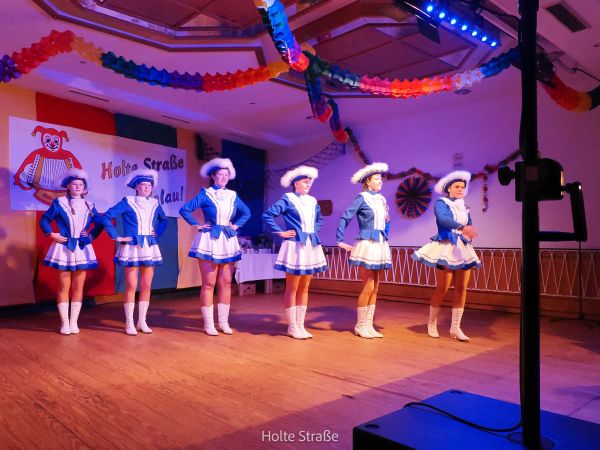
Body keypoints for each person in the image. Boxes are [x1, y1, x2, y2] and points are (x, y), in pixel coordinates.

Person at [179, 158, 250, 336]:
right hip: (209, 239)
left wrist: (236, 225)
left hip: (227, 239)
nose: (224, 177)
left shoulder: (233, 195)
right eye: (220, 175)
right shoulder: (206, 193)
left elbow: (247, 212)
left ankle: (224, 322)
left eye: (226, 175)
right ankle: (209, 324)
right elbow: (185, 209)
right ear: (213, 176)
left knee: (226, 282)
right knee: (209, 283)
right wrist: (197, 225)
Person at [412, 170, 481, 342]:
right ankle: (432, 323)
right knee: (443, 287)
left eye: (462, 187)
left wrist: (469, 232)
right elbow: (443, 220)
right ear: (449, 188)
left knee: (462, 288)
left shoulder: (464, 207)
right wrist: (463, 228)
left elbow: (469, 224)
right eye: (457, 186)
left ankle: (455, 327)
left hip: (462, 247)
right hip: (446, 246)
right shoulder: (441, 203)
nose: (460, 189)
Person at [100, 169, 168, 336]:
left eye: (149, 185)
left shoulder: (155, 203)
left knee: (147, 285)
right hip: (132, 246)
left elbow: (164, 220)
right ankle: (129, 322)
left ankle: (142, 321)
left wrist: (157, 233)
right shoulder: (128, 201)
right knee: (131, 285)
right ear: (136, 187)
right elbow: (106, 216)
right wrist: (116, 236)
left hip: (149, 246)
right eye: (143, 185)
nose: (146, 187)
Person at [263, 166, 328, 339]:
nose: (308, 184)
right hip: (294, 246)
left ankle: (300, 325)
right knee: (292, 287)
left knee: (305, 286)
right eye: (305, 181)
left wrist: (313, 232)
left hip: (310, 246)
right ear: (296, 182)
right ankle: (292, 326)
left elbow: (319, 219)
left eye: (310, 182)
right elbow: (268, 215)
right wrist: (280, 232)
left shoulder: (313, 201)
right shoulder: (288, 198)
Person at [39, 168, 103, 335]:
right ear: (68, 186)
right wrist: (52, 234)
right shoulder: (59, 202)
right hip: (64, 248)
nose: (78, 187)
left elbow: (100, 223)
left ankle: (74, 322)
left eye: (81, 184)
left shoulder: (90, 205)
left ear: (84, 187)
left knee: (78, 287)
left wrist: (90, 236)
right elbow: (44, 220)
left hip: (81, 248)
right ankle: (64, 323)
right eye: (74, 184)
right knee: (63, 286)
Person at [336, 162, 391, 339]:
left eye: (381, 179)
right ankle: (360, 325)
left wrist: (386, 235)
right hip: (367, 244)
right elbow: (345, 217)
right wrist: (339, 240)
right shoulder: (361, 198)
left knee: (376, 287)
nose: (380, 181)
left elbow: (386, 221)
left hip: (380, 243)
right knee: (368, 286)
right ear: (368, 181)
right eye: (377, 179)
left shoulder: (382, 199)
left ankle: (368, 324)